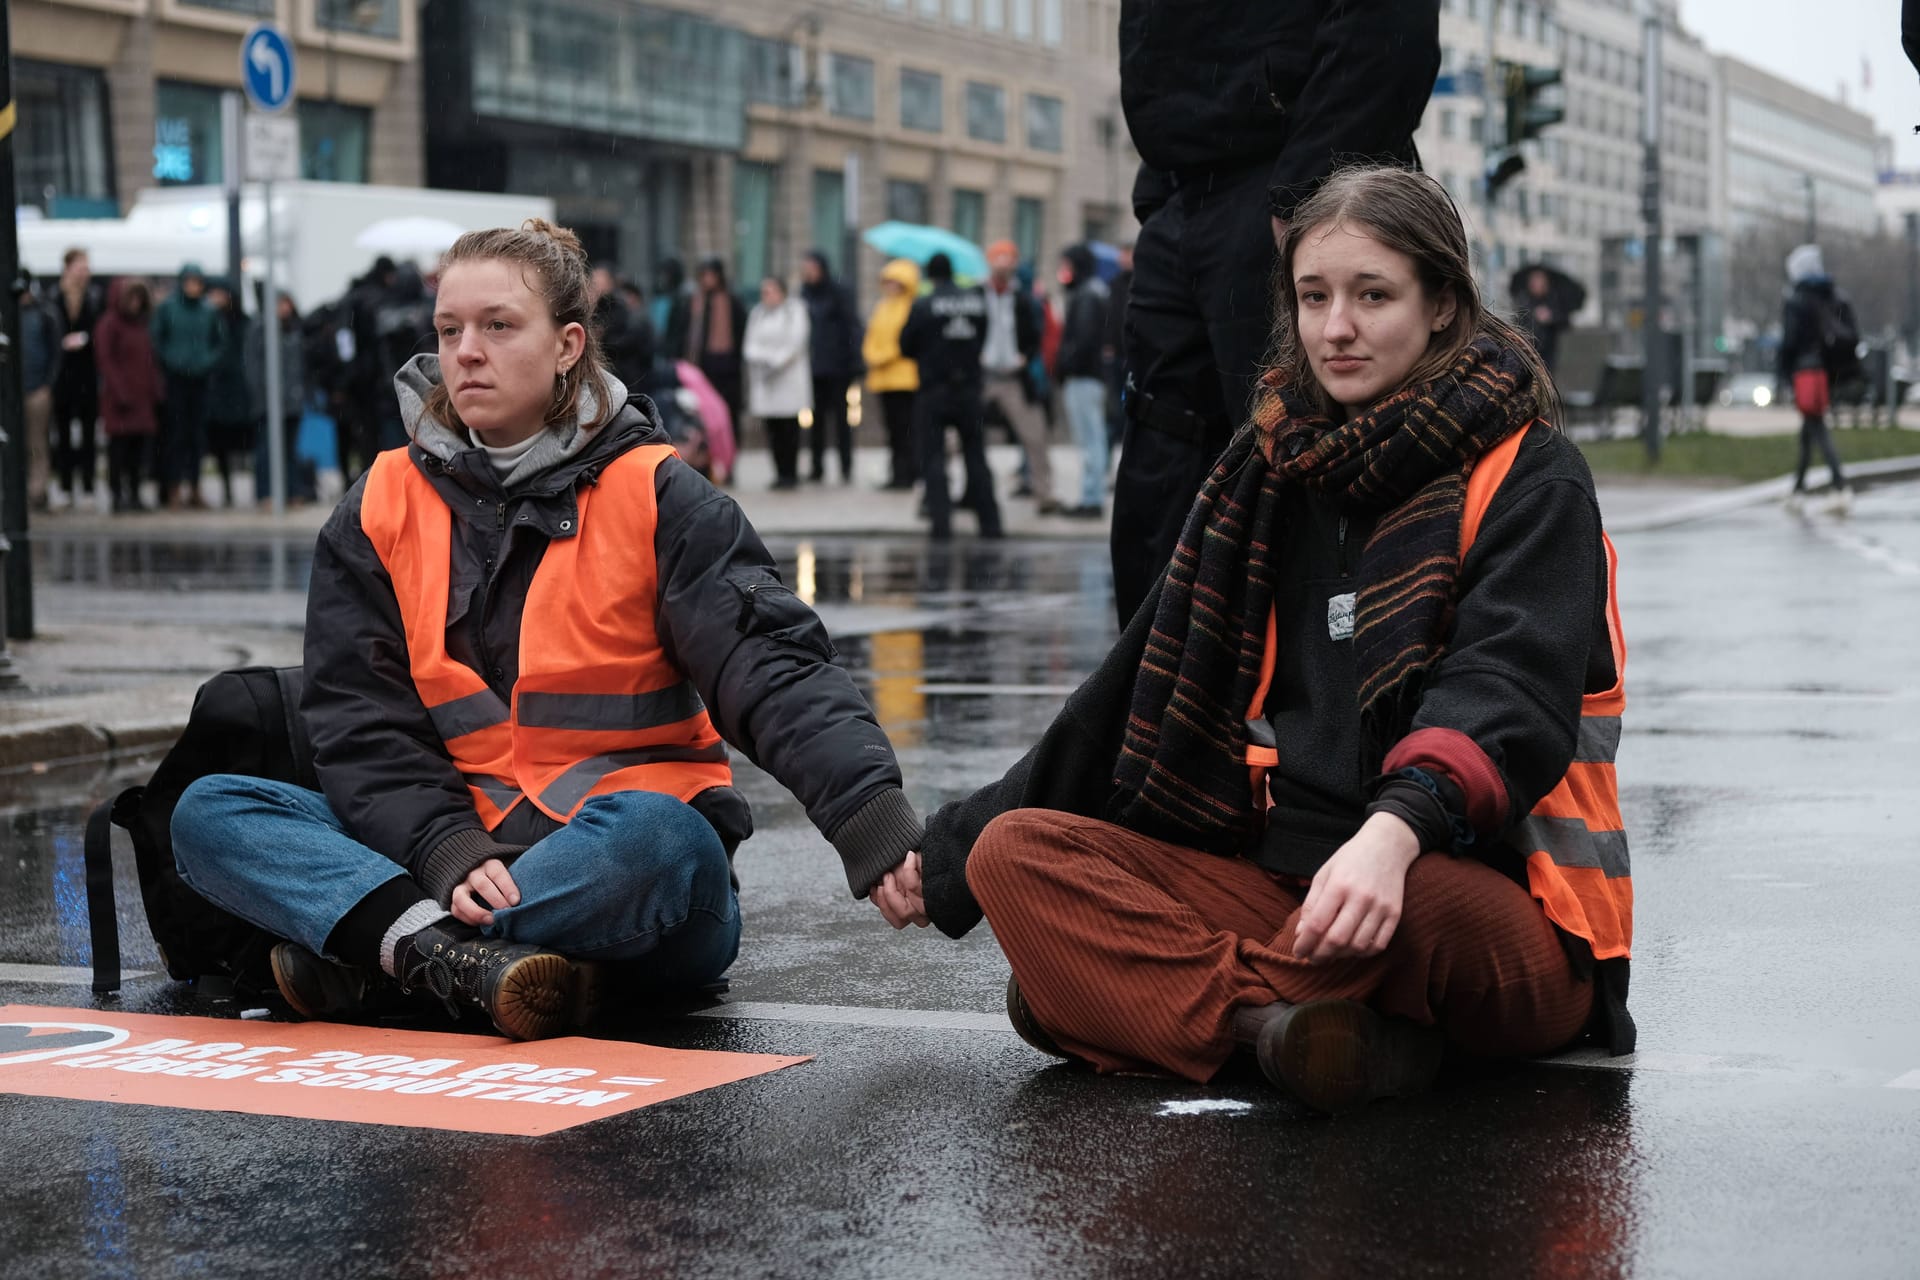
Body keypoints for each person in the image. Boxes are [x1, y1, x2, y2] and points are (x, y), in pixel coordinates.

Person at [909, 166, 1634, 1114]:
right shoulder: (1265, 469)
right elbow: (1123, 700)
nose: (1336, 328)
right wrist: (949, 855)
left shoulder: (1533, 475)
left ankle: (1134, 1002)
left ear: (1444, 305)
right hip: (1291, 888)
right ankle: (1283, 1033)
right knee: (1019, 856)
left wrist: (1395, 833)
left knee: (1406, 910)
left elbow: (1507, 693)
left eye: (1373, 295)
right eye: (1314, 296)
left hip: (1487, 899)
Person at [170, 219, 927, 1041]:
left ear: (568, 345)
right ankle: (482, 964)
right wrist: (445, 847)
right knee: (210, 809)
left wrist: (869, 821)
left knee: (661, 837)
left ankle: (390, 953)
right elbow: (361, 723)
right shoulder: (379, 502)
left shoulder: (661, 495)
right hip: (451, 858)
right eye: (449, 329)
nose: (465, 351)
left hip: (616, 864)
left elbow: (774, 667)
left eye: (498, 326)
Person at [1109, 1, 1442, 626]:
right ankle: (1157, 704)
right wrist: (1160, 189)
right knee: (1165, 471)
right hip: (1184, 187)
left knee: (1306, 455)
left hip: (1290, 179)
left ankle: (1327, 702)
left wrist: (1310, 192)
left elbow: (1392, 24)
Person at [900, 253, 1002, 541]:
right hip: (969, 388)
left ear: (931, 275)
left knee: (933, 458)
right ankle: (991, 524)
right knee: (976, 457)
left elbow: (905, 344)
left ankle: (941, 526)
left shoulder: (924, 304)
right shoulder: (975, 301)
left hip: (934, 389)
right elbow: (982, 336)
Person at [1778, 243, 1857, 515]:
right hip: (1827, 372)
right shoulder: (1833, 295)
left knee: (1817, 428)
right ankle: (1798, 490)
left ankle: (1840, 486)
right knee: (1808, 431)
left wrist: (1783, 376)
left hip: (1805, 372)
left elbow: (1788, 343)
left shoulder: (1797, 299)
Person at [980, 241, 1058, 515]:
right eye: (998, 258)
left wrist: (1026, 356)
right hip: (984, 375)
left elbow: (1036, 333)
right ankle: (966, 492)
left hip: (1015, 376)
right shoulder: (978, 294)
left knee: (1035, 436)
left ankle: (1043, 492)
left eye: (1008, 258)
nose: (1003, 263)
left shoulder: (1024, 299)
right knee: (963, 436)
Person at [152, 262, 225, 509]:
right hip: (175, 380)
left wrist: (206, 361)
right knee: (176, 435)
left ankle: (194, 487)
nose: (193, 286)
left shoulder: (208, 310)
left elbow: (219, 342)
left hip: (200, 380)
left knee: (197, 436)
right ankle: (174, 487)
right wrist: (173, 361)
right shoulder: (168, 308)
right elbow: (157, 340)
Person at [94, 279, 164, 514]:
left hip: (141, 398)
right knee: (119, 450)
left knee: (137, 451)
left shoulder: (142, 326)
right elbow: (106, 361)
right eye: (131, 298)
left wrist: (155, 389)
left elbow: (149, 361)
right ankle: (117, 495)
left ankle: (134, 493)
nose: (135, 304)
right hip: (120, 400)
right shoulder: (109, 325)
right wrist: (120, 391)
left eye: (139, 299)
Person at [1056, 245, 1112, 519]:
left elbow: (1083, 341)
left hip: (1084, 377)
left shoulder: (1087, 295)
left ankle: (1092, 498)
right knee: (1092, 437)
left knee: (1090, 438)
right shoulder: (1091, 292)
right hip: (1089, 376)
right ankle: (1090, 495)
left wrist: (1066, 365)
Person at [743, 275, 813, 490]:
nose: (766, 296)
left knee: (789, 429)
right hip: (766, 382)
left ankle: (790, 472)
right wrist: (763, 358)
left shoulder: (795, 312)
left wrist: (775, 360)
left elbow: (795, 343)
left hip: (788, 380)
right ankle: (779, 471)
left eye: (770, 291)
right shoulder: (757, 314)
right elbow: (750, 345)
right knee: (772, 430)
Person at [247, 289, 316, 506]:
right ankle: (265, 493)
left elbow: (302, 368)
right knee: (266, 449)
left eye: (286, 303)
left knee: (289, 450)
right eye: (279, 303)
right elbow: (253, 366)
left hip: (292, 401)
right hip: (269, 402)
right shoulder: (260, 329)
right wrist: (261, 395)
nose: (284, 308)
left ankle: (292, 492)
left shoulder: (295, 330)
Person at [799, 251, 861, 484]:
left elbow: (852, 326)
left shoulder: (838, 293)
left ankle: (846, 465)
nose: (808, 272)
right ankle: (817, 466)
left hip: (838, 367)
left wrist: (854, 360)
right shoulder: (804, 294)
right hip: (813, 368)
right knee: (816, 420)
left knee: (841, 419)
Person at [862, 258, 922, 491]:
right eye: (888, 282)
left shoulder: (911, 308)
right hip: (884, 380)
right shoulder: (882, 307)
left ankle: (908, 473)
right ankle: (898, 472)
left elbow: (904, 342)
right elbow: (872, 336)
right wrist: (871, 354)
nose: (890, 287)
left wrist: (882, 356)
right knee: (893, 431)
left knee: (906, 430)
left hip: (905, 380)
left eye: (896, 282)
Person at [51, 248, 104, 508]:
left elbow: (100, 332)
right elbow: (50, 332)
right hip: (62, 374)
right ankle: (65, 485)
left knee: (87, 435)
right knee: (62, 435)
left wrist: (86, 339)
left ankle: (88, 487)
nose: (85, 272)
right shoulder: (55, 297)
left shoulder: (94, 297)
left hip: (86, 375)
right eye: (80, 266)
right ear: (68, 267)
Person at [204, 280, 255, 507]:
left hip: (241, 390)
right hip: (217, 392)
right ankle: (227, 489)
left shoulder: (244, 323)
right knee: (220, 444)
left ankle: (257, 489)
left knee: (247, 442)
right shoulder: (208, 322)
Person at [686, 257, 747, 433]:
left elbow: (741, 331)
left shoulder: (732, 300)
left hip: (729, 365)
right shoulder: (697, 301)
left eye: (711, 275)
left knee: (730, 410)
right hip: (704, 364)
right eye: (704, 275)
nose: (707, 280)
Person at [17, 272, 57, 511]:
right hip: (11, 392)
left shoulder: (43, 314)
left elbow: (54, 353)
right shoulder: (10, 313)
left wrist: (47, 385)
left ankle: (36, 491)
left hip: (36, 389)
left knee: (36, 443)